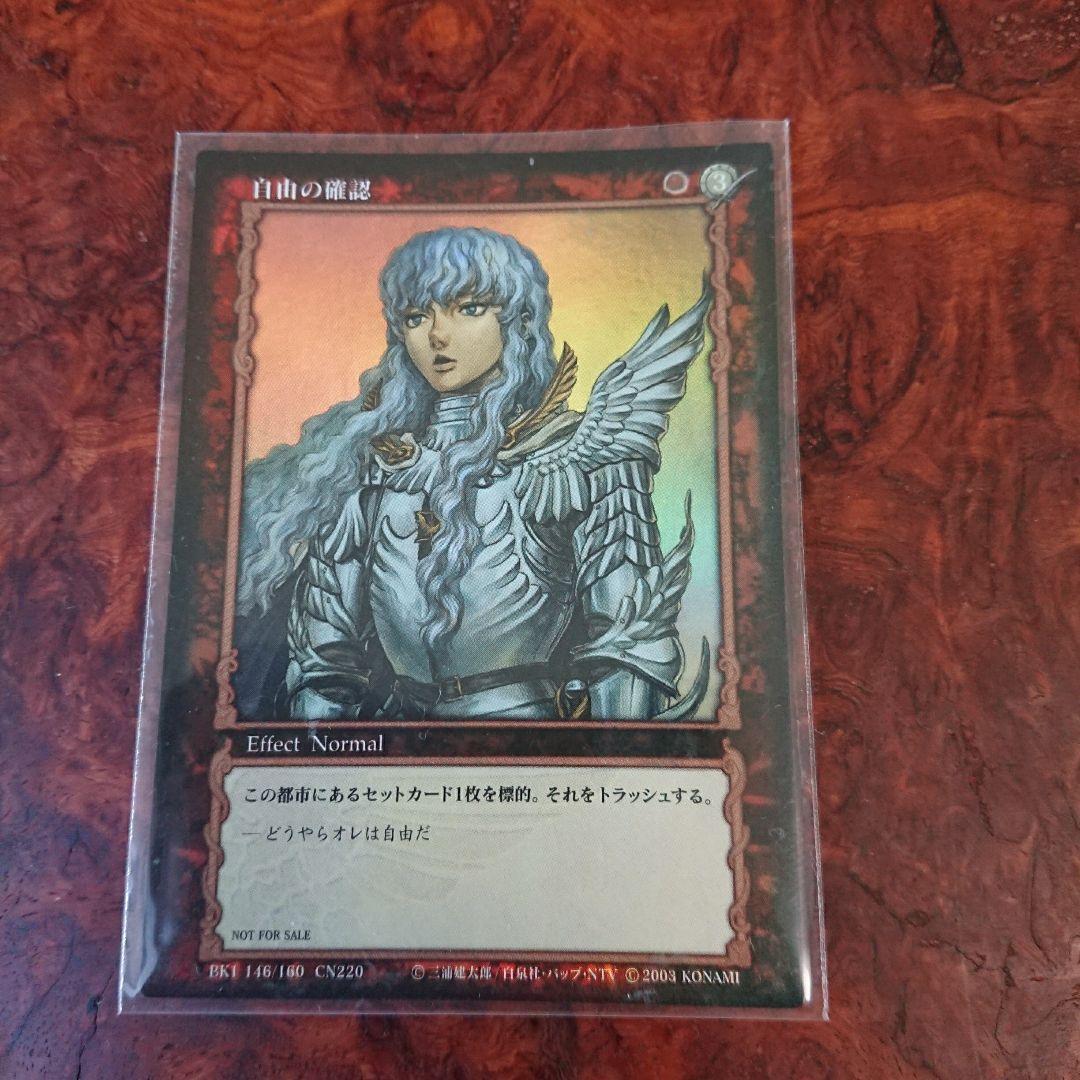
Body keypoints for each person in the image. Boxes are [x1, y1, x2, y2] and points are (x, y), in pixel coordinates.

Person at [236, 226, 711, 721]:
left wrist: (612, 757)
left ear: (519, 321)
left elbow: (629, 639)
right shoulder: (369, 471)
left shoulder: (576, 456)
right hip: (391, 746)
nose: (437, 336)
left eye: (468, 308)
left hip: (526, 741)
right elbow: (324, 659)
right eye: (416, 317)